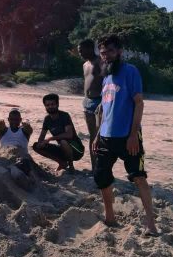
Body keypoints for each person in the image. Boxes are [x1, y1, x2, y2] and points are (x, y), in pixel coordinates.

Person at [92, 34, 158, 236]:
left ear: (120, 51)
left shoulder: (130, 71)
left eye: (110, 51)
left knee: (139, 177)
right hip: (106, 137)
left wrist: (133, 134)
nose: (106, 56)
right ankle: (110, 217)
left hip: (128, 136)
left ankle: (151, 223)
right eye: (103, 53)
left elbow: (139, 103)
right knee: (102, 177)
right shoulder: (106, 76)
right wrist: (97, 135)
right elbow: (103, 109)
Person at [33, 93, 84, 174]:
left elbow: (69, 134)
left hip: (76, 150)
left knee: (63, 141)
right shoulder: (47, 119)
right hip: (62, 148)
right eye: (47, 105)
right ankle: (62, 163)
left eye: (52, 104)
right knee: (36, 146)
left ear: (57, 104)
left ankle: (71, 166)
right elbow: (42, 136)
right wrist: (40, 143)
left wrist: (50, 138)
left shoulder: (64, 116)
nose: (50, 107)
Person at [78, 38, 103, 168]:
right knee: (92, 136)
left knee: (100, 137)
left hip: (99, 101)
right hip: (87, 102)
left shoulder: (100, 62)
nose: (80, 53)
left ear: (89, 49)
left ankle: (101, 167)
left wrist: (104, 102)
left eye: (81, 50)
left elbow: (106, 81)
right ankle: (94, 168)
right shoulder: (85, 65)